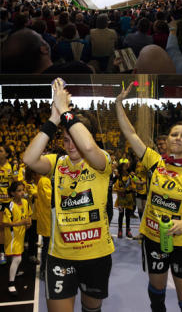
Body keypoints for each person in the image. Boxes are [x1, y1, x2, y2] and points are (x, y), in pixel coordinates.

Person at [115, 82, 182, 312]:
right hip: (154, 239)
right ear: (167, 140)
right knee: (157, 296)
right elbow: (130, 133)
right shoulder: (155, 162)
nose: (178, 138)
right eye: (174, 134)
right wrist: (119, 103)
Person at [23, 78, 114, 312]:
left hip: (96, 254)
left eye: (75, 140)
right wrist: (54, 118)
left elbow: (90, 148)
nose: (70, 146)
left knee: (91, 308)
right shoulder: (57, 162)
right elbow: (29, 159)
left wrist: (65, 110)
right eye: (65, 140)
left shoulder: (101, 160)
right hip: (60, 255)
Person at [4, 181, 31, 296]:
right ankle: (11, 284)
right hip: (12, 236)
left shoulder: (25, 202)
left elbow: (29, 215)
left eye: (22, 190)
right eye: (19, 191)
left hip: (21, 234)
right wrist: (21, 222)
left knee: (16, 257)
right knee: (17, 258)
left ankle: (15, 271)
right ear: (12, 193)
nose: (22, 193)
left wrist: (28, 222)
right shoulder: (9, 206)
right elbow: (6, 223)